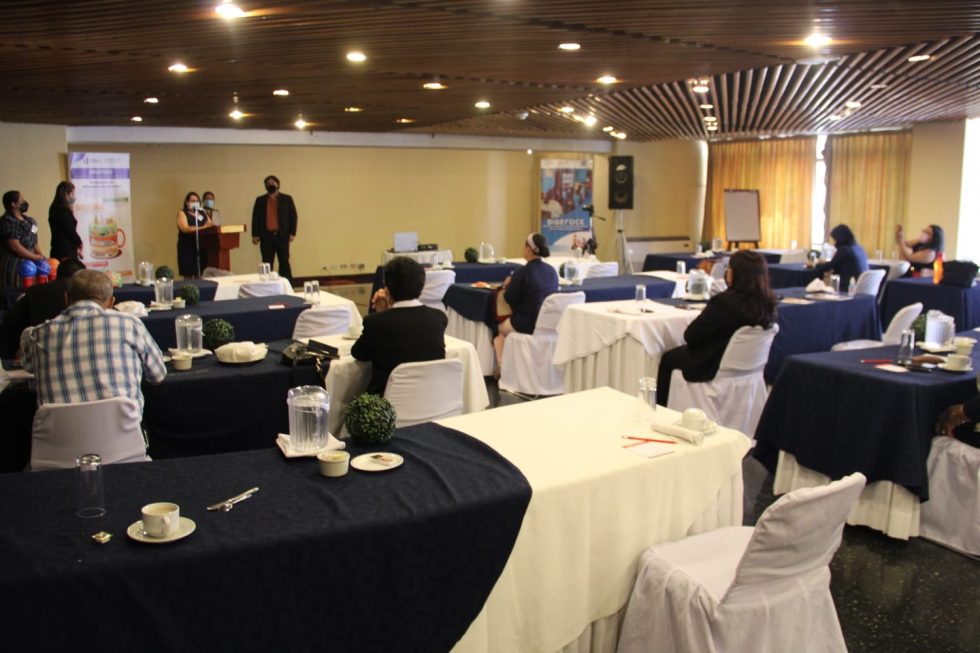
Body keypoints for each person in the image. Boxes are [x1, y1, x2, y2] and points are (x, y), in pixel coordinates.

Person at [20, 269, 166, 411]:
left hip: (59, 428)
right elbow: (158, 375)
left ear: (66, 298)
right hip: (121, 427)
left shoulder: (38, 334)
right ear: (110, 303)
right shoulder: (130, 324)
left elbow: (28, 366)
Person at [656, 249, 777, 405]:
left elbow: (691, 336)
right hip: (750, 371)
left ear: (735, 274)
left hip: (712, 365)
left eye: (729, 269)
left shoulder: (724, 303)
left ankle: (662, 410)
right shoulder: (769, 304)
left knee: (669, 358)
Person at [352, 256, 447, 395]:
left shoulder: (375, 323)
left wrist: (381, 313)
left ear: (387, 289)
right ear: (421, 287)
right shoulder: (439, 318)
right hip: (430, 398)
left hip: (386, 405)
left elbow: (358, 353)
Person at [493, 233, 559, 367]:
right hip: (549, 323)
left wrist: (507, 285)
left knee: (497, 328)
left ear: (528, 249)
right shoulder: (552, 271)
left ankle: (502, 368)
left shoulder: (522, 272)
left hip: (527, 324)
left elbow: (509, 298)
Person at [0, 257, 86, 358]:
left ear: (57, 274)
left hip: (40, 355)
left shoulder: (34, 292)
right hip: (81, 352)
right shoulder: (88, 295)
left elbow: (10, 323)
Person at [251, 175, 297, 283]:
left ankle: (288, 286)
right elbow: (255, 218)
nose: (270, 185)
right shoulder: (260, 200)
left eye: (273, 182)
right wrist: (255, 234)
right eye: (268, 183)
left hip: (282, 236)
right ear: (265, 186)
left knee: (284, 263)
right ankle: (266, 286)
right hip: (266, 237)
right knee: (266, 264)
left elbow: (293, 216)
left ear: (278, 184)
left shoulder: (287, 199)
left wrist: (292, 233)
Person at [1, 190, 46, 287]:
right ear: (13, 204)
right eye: (21, 200)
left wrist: (40, 255)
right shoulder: (6, 222)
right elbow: (15, 247)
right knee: (15, 291)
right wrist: (33, 257)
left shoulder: (31, 222)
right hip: (14, 267)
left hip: (31, 265)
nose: (24, 202)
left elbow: (34, 241)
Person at [176, 191, 211, 279]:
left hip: (201, 247)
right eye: (192, 201)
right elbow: (185, 228)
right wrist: (203, 227)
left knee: (201, 274)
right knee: (188, 274)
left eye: (197, 201)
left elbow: (210, 225)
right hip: (187, 247)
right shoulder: (182, 213)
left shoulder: (202, 213)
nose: (195, 203)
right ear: (187, 202)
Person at [48, 181, 83, 260]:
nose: (74, 197)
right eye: (72, 194)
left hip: (57, 250)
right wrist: (79, 242)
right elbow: (69, 230)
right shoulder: (63, 210)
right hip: (65, 253)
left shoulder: (53, 208)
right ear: (66, 194)